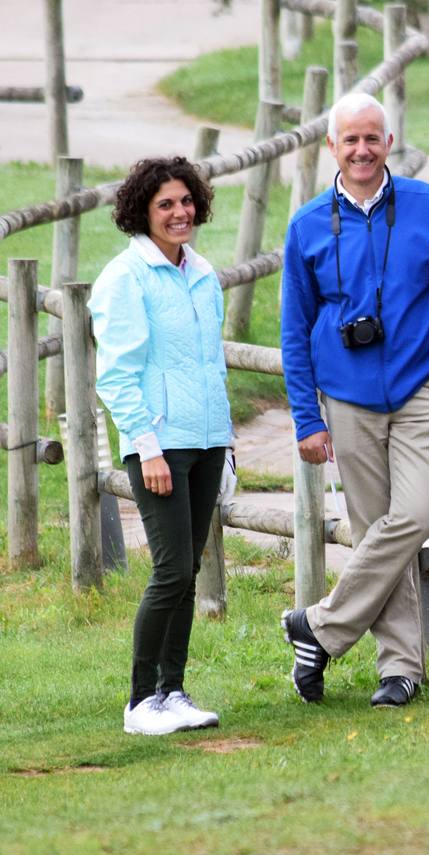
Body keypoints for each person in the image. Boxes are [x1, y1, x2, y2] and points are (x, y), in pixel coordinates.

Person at [280, 92, 429, 708]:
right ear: (331, 149)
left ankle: (319, 626)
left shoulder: (427, 205)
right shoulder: (308, 224)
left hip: (425, 388)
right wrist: (308, 418)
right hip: (347, 397)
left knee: (415, 517)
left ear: (388, 143)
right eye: (350, 141)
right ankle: (400, 669)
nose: (362, 150)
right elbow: (294, 329)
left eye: (372, 138)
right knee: (375, 532)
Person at [90, 157, 233, 735]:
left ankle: (172, 691)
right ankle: (138, 702)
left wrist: (226, 443)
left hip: (206, 441)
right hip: (160, 446)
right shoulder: (124, 279)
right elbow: (117, 375)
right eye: (164, 205)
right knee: (171, 570)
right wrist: (147, 447)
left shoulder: (202, 272)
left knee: (189, 569)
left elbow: (209, 365)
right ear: (142, 213)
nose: (179, 213)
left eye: (185, 201)